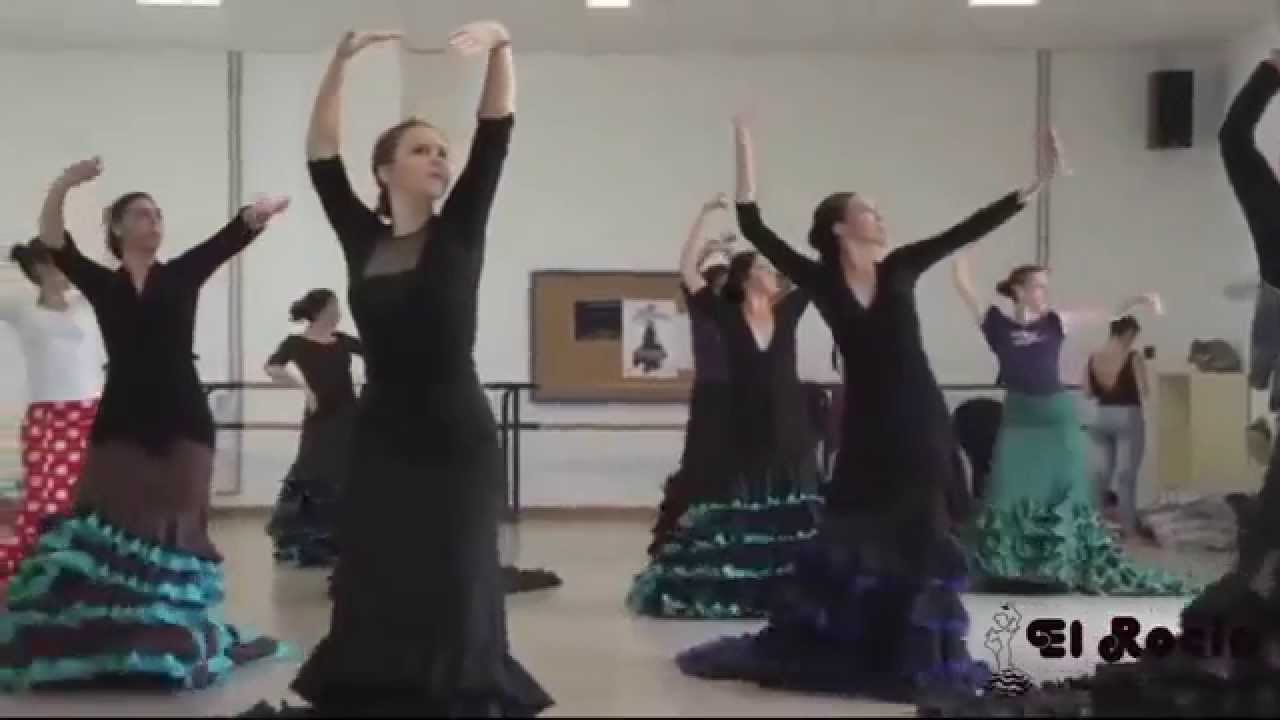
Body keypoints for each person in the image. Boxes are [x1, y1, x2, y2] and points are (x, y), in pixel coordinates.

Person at [675, 113, 1059, 702]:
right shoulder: (819, 278)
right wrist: (746, 150)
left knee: (923, 523)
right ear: (838, 226)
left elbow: (966, 229)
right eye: (867, 209)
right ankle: (856, 640)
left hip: (920, 411)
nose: (878, 217)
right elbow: (755, 224)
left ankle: (922, 648)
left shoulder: (902, 265)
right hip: (865, 422)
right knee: (857, 528)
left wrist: (1035, 183)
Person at [250, 25, 551, 717]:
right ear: (385, 170)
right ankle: (380, 685)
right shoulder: (363, 236)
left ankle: (459, 686)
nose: (440, 160)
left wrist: (505, 45)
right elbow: (322, 154)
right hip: (381, 428)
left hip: (454, 428)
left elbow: (496, 129)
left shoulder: (461, 228)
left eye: (443, 152)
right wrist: (340, 62)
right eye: (422, 150)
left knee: (455, 568)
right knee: (380, 569)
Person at [0, 157, 289, 691]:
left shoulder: (181, 273)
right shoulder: (102, 285)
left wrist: (256, 215)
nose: (153, 222)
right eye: (140, 214)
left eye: (157, 215)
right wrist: (65, 183)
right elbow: (54, 240)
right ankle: (115, 644)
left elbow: (229, 238)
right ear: (117, 230)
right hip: (120, 425)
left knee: (174, 535)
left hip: (183, 420)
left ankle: (165, 645)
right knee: (109, 534)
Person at [628, 199, 824, 620]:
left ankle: (785, 587)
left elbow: (813, 271)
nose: (775, 276)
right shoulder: (725, 314)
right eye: (767, 270)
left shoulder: (787, 312)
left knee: (789, 501)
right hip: (743, 421)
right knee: (738, 499)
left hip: (789, 421)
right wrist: (702, 217)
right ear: (749, 277)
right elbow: (687, 271)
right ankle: (738, 588)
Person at [953, 254, 1192, 595]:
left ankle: (1058, 567)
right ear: (1018, 291)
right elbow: (964, 285)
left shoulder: (1055, 322)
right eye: (1037, 287)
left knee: (1061, 490)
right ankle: (1010, 567)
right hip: (1019, 418)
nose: (1043, 294)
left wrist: (1140, 300)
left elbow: (1110, 312)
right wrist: (968, 245)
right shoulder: (997, 326)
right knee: (1009, 490)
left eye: (1046, 288)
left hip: (1056, 417)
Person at [0, 240, 102, 580]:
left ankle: (86, 566)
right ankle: (47, 564)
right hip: (48, 418)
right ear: (43, 268)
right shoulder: (21, 307)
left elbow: (129, 278)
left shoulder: (86, 302)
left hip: (91, 414)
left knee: (91, 494)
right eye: (60, 263)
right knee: (47, 495)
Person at [646, 196, 734, 556]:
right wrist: (705, 219)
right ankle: (685, 531)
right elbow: (687, 267)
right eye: (719, 281)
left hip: (745, 393)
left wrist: (728, 255)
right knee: (700, 461)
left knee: (739, 464)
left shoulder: (742, 311)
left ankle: (733, 533)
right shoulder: (703, 306)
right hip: (712, 392)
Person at [264, 288, 362, 569]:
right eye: (335, 307)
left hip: (347, 414)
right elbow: (272, 367)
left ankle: (341, 541)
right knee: (311, 470)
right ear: (322, 311)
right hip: (320, 416)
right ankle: (304, 542)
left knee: (345, 471)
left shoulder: (342, 341)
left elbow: (378, 354)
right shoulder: (296, 342)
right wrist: (304, 388)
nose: (339, 312)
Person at [1084, 315, 1150, 538]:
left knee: (1101, 475)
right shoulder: (1132, 357)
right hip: (1127, 416)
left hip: (1100, 417)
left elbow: (1088, 393)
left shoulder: (1094, 357)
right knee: (1125, 476)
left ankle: (1094, 526)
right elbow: (1144, 390)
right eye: (1133, 336)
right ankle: (1129, 528)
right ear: (1128, 333)